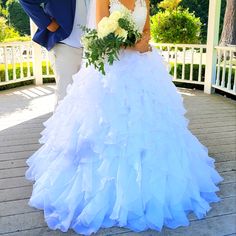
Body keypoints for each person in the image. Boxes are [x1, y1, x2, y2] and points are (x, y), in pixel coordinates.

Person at [25, 0, 223, 235]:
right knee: (106, 125)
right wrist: (128, 44)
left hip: (142, 67)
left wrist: (141, 42)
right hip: (111, 69)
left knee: (147, 122)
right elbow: (101, 29)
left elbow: (147, 30)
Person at [19, 0, 90, 103]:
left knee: (88, 97)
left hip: (93, 48)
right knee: (65, 97)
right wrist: (47, 23)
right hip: (66, 46)